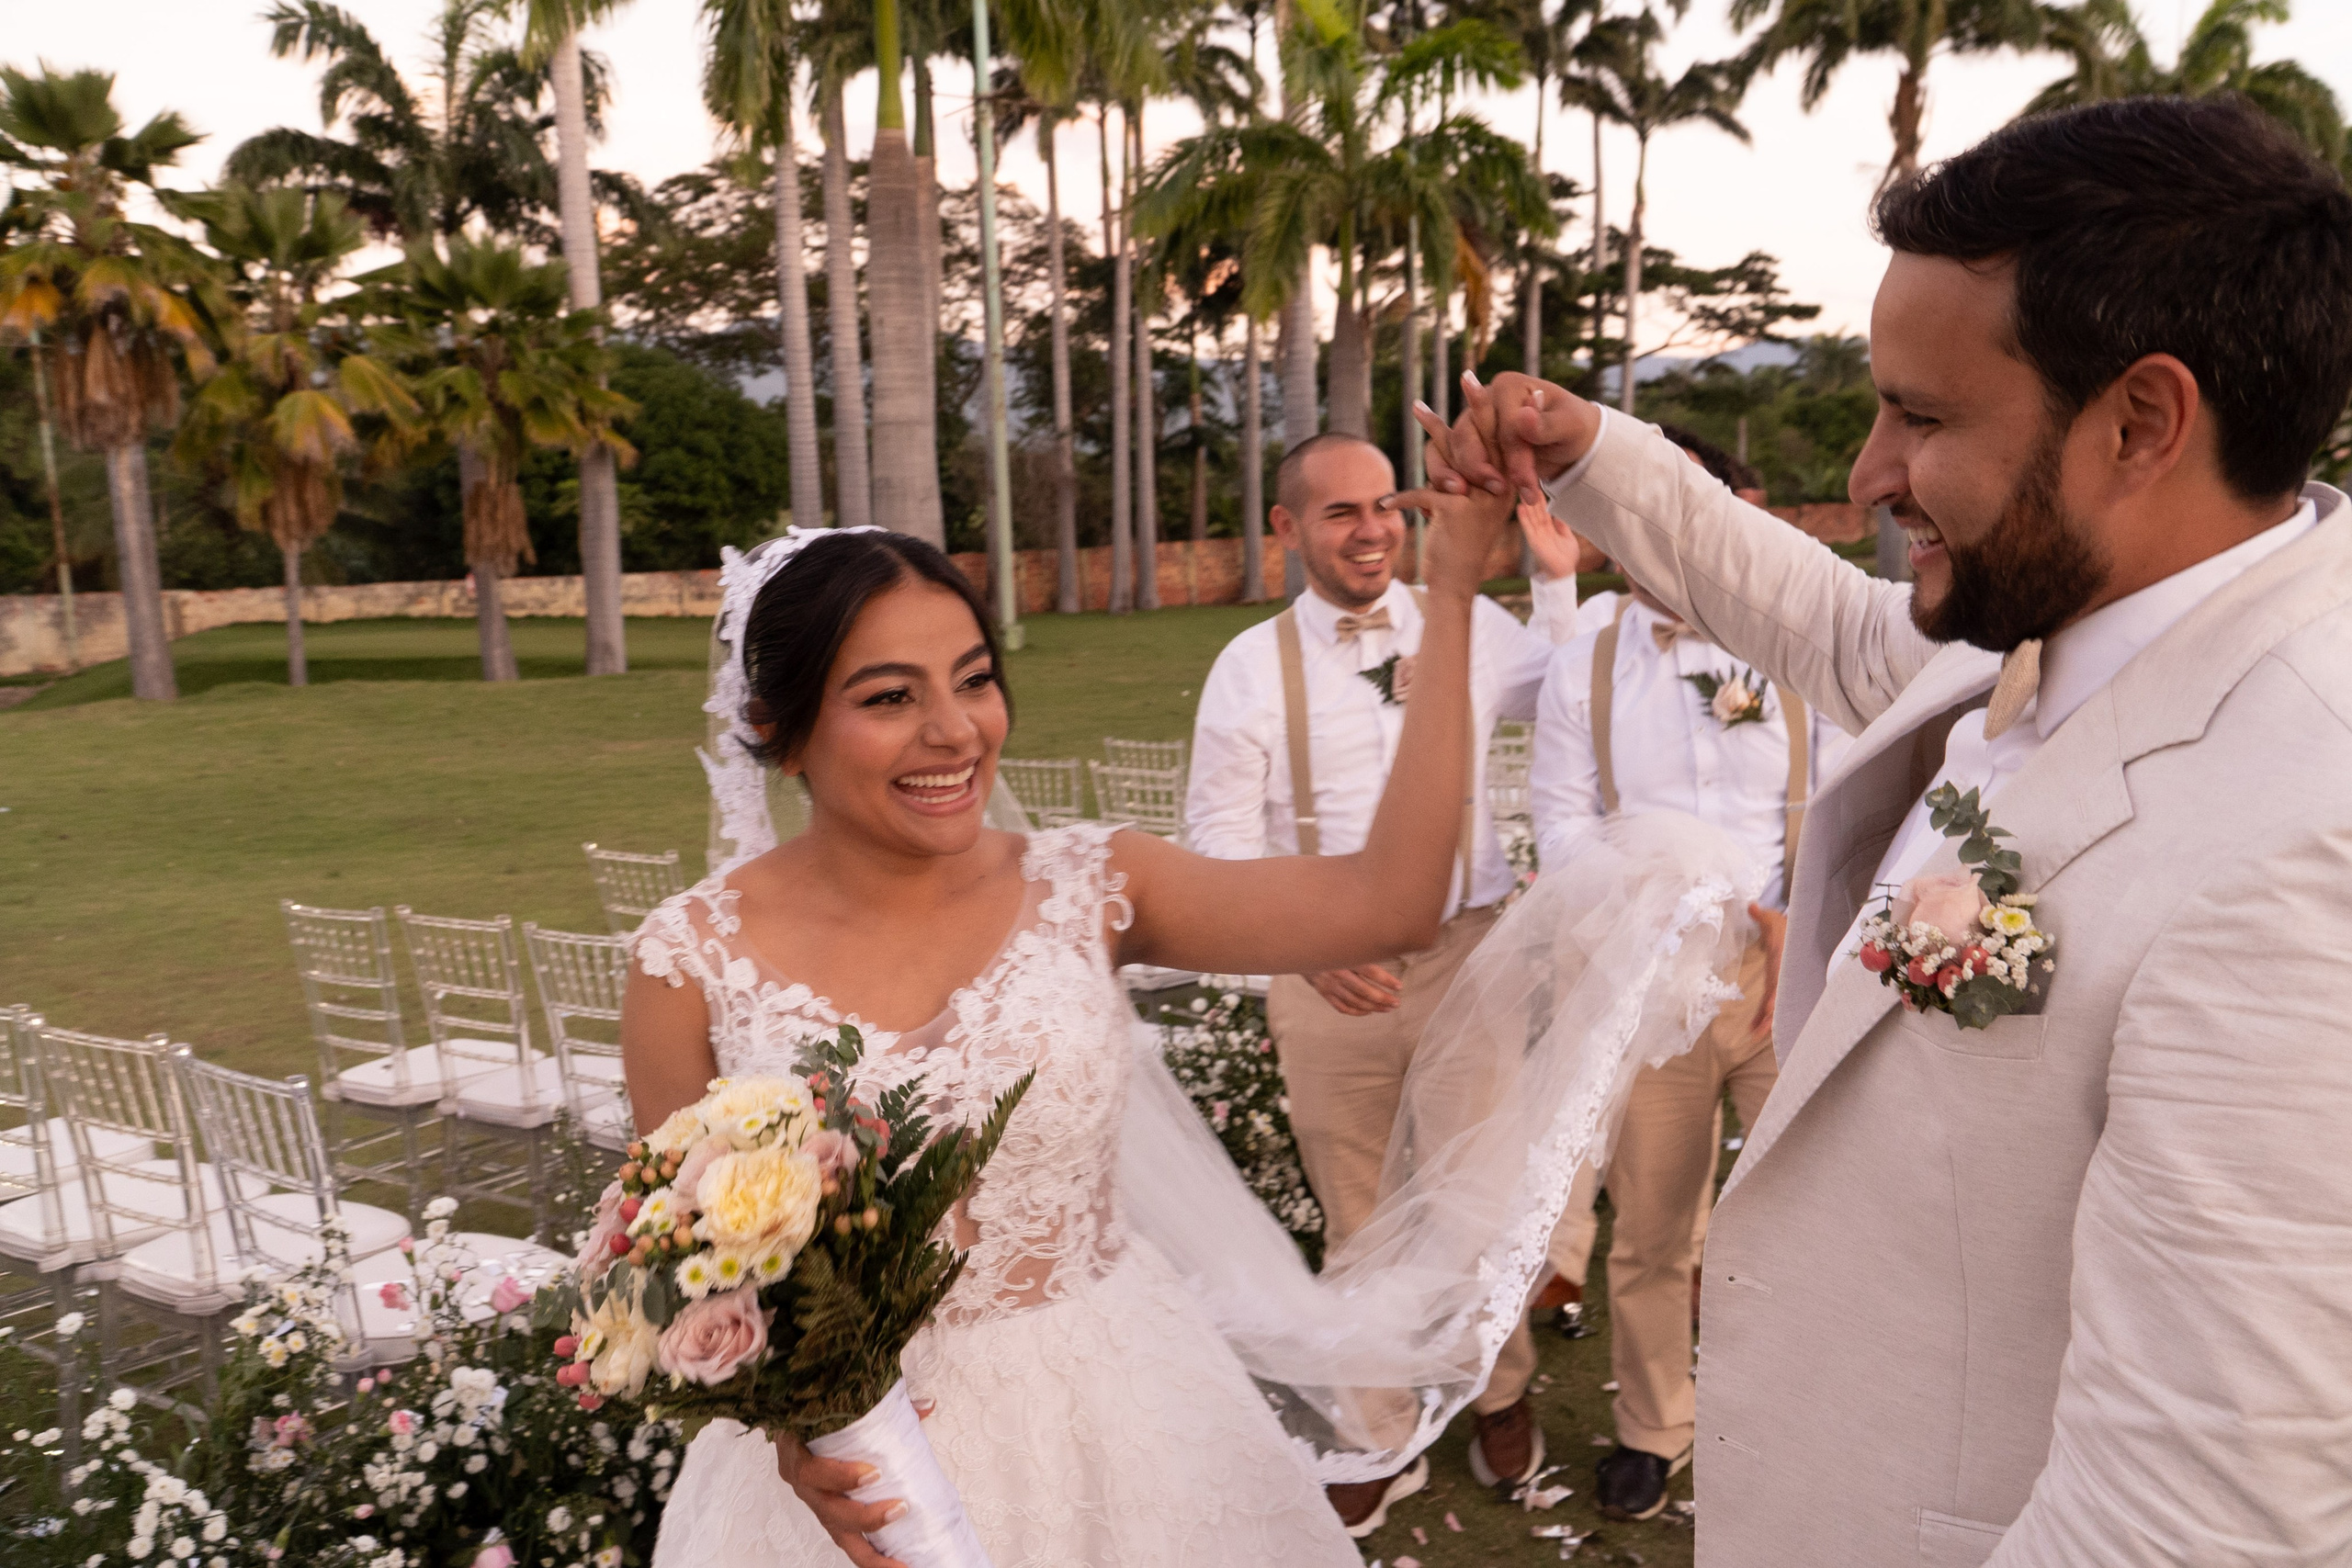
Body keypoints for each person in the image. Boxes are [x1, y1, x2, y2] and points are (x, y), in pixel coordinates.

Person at [1422, 96, 2352, 1565]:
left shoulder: (2308, 848)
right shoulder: (2077, 608)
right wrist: (1592, 446)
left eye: (1921, 416)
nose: (1864, 474)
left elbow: (2198, 1520)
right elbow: (1830, 624)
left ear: (2142, 422)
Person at [623, 481, 1532, 1568]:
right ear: (781, 734)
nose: (954, 731)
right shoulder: (688, 958)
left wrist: (1459, 590)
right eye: (887, 697)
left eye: (973, 680)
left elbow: (1392, 901)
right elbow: (681, 1269)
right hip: (856, 1482)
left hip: (1125, 1416)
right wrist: (785, 1438)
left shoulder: (1098, 885)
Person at [1184, 432, 1562, 1530]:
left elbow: (1575, 694)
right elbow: (1212, 846)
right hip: (1322, 973)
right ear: (1285, 529)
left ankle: (1499, 1393)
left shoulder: (1471, 628)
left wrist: (1551, 575)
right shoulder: (1248, 668)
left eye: (1385, 508)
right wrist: (1299, 947)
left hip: (1468, 956)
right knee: (1360, 1214)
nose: (1371, 530)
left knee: (1472, 1206)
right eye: (1341, 512)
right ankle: (1381, 1430)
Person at [1530, 434, 1851, 1517]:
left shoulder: (1802, 646)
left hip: (1787, 977)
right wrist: (1652, 892)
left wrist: (1804, 917)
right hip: (1650, 982)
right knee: (1656, 1222)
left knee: (1817, 1211)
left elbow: (1856, 806)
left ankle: (1810, 1411)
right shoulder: (1585, 656)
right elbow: (1560, 823)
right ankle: (1651, 1425)